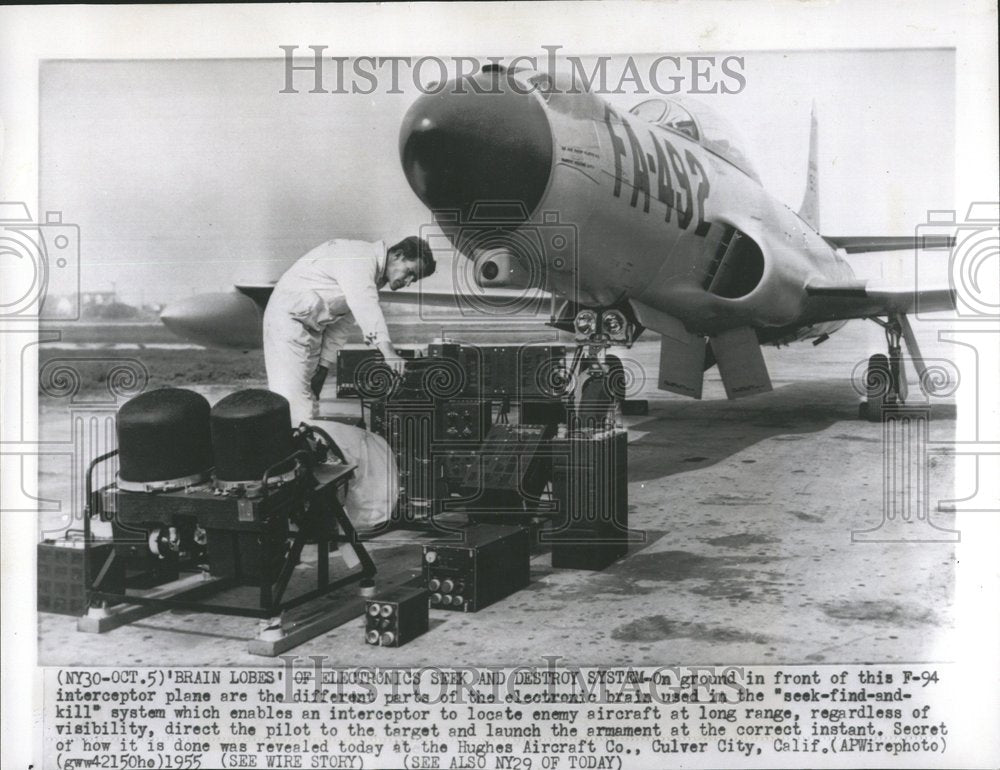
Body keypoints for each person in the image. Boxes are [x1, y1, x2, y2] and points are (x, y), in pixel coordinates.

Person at [263, 235, 436, 425]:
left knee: (308, 402)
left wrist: (323, 367)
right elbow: (365, 305)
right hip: (287, 323)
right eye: (410, 272)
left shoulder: (374, 276)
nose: (409, 282)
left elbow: (342, 323)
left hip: (309, 329)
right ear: (398, 255)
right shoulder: (360, 258)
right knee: (296, 407)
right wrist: (388, 352)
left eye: (415, 279)